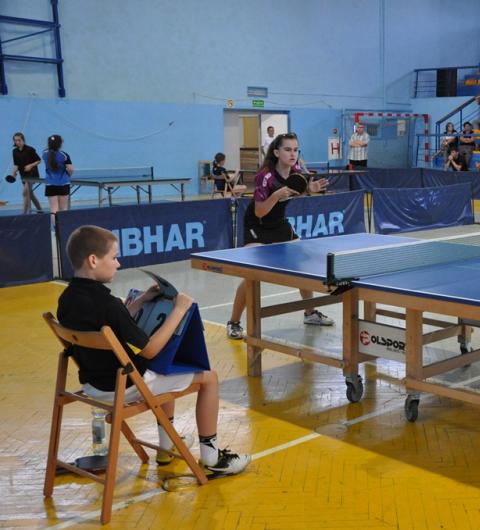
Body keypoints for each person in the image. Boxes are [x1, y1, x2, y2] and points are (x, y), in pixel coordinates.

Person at [57, 225, 251, 476]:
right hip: (123, 386)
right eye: (114, 257)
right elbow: (150, 350)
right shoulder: (109, 305)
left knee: (165, 371)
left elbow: (108, 324)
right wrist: (179, 309)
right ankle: (212, 459)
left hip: (93, 385)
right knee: (208, 378)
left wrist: (141, 300)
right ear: (93, 260)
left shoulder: (67, 299)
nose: (118, 264)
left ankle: (166, 446)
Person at [227, 133, 331, 339]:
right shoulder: (265, 176)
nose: (293, 154)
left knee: (302, 265)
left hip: (279, 223)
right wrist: (275, 195)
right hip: (257, 225)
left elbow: (296, 191)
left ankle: (310, 313)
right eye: (287, 149)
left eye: (296, 150)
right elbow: (259, 211)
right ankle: (234, 322)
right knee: (251, 274)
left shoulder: (296, 172)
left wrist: (309, 190)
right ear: (276, 152)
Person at [9, 132, 44, 214]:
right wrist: (13, 173)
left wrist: (30, 165)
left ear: (23, 140)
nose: (17, 142)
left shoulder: (30, 149)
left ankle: (24, 213)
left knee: (25, 193)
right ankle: (40, 210)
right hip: (23, 175)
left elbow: (39, 160)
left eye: (19, 140)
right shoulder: (14, 151)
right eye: (15, 140)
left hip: (32, 174)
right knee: (30, 194)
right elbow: (16, 165)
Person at [41, 134, 73, 219]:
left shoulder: (44, 154)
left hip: (50, 184)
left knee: (53, 209)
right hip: (63, 183)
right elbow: (70, 169)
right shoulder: (64, 155)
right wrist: (69, 175)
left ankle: (53, 227)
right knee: (63, 209)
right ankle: (63, 226)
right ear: (60, 144)